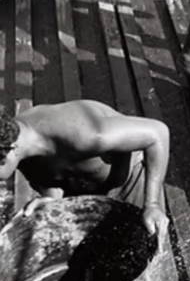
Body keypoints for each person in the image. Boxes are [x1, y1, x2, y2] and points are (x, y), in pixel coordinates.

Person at [0, 100, 171, 238]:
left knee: (149, 251)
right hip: (85, 195)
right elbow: (47, 175)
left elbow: (157, 134)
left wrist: (152, 204)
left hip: (128, 184)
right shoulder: (16, 140)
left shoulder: (87, 134)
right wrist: (51, 198)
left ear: (8, 152)